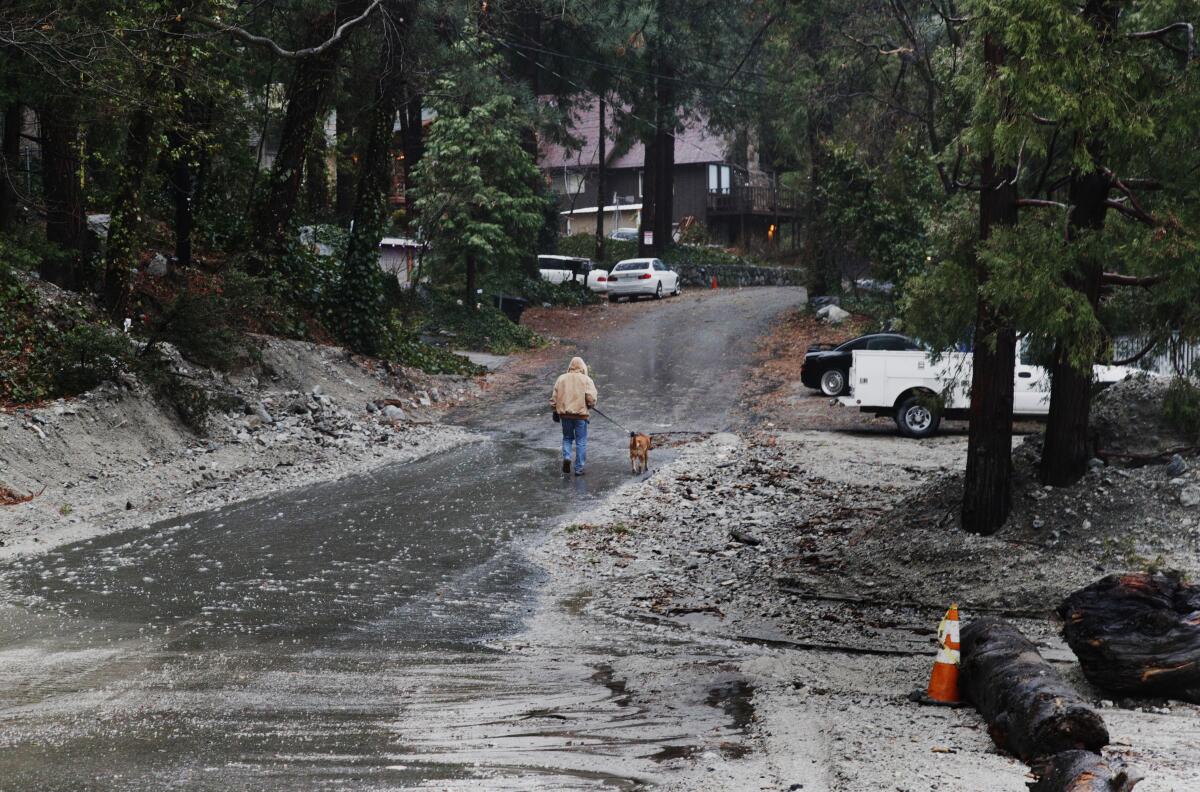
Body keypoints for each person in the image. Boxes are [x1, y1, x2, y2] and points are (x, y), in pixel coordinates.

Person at [550, 356, 598, 476]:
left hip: (565, 415)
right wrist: (590, 405)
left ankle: (567, 457)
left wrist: (555, 410)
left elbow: (554, 398)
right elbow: (591, 399)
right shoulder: (586, 379)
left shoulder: (561, 379)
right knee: (581, 441)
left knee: (567, 438)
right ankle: (579, 468)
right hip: (580, 416)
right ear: (582, 367)